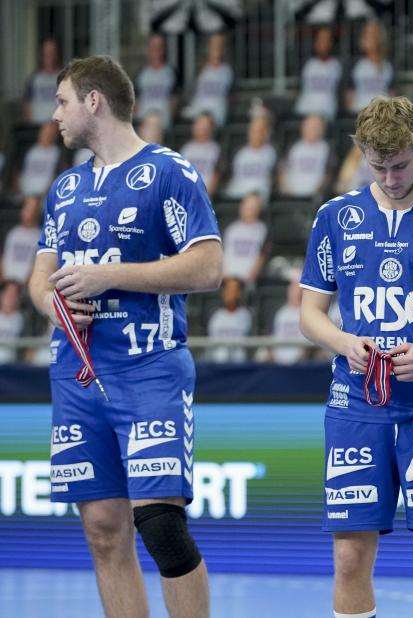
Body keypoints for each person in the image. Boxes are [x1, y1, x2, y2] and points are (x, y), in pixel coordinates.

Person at [28, 55, 222, 618]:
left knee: (160, 525)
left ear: (94, 101)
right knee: (102, 530)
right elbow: (40, 277)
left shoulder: (168, 172)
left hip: (148, 369)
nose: (55, 114)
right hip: (77, 374)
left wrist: (108, 276)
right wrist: (54, 304)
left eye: (63, 101)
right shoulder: (64, 188)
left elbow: (208, 267)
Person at [300, 95, 413, 618]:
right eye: (377, 166)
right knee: (349, 558)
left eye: (400, 165)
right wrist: (344, 343)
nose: (389, 177)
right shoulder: (335, 217)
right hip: (356, 406)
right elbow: (309, 314)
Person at [182, 33, 233, 126]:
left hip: (216, 111)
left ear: (224, 49)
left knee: (205, 121)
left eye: (219, 46)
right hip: (198, 108)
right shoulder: (201, 69)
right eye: (213, 45)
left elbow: (230, 95)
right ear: (208, 47)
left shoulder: (228, 70)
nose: (216, 49)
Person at [294, 26, 342, 121]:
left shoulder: (337, 66)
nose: (323, 43)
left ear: (331, 43)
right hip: (303, 112)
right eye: (320, 39)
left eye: (327, 40)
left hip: (326, 113)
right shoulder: (307, 64)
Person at [225, 115, 277, 199]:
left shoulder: (272, 152)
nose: (256, 134)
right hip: (236, 193)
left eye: (260, 131)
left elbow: (274, 177)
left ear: (266, 133)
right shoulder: (240, 153)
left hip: (258, 195)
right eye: (254, 130)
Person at [279, 114, 331, 198]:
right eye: (309, 126)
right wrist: (285, 189)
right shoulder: (293, 147)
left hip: (314, 196)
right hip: (290, 195)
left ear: (322, 129)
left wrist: (318, 190)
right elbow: (282, 169)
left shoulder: (326, 148)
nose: (312, 130)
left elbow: (329, 173)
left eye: (316, 127)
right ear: (302, 128)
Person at [347, 20, 394, 114]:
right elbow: (349, 95)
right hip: (361, 114)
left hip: (383, 115)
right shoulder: (355, 64)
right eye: (366, 34)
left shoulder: (388, 65)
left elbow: (392, 93)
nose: (367, 38)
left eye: (372, 34)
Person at [222, 192, 269, 284]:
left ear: (259, 209)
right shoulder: (230, 228)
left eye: (253, 206)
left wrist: (251, 277)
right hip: (227, 277)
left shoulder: (263, 230)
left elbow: (263, 256)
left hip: (248, 279)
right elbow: (221, 252)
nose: (249, 209)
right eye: (247, 205)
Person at [134, 33, 178, 128]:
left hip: (162, 120)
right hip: (143, 119)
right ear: (148, 49)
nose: (156, 50)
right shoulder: (141, 73)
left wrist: (170, 116)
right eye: (153, 46)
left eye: (159, 47)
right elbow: (135, 101)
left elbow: (174, 101)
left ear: (164, 49)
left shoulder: (171, 73)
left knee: (153, 123)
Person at [207, 277, 252, 362]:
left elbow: (246, 342)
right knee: (220, 354)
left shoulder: (245, 315)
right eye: (227, 290)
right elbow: (212, 341)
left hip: (239, 359)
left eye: (233, 290)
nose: (229, 293)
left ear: (239, 293)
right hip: (217, 359)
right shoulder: (216, 316)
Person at [2, 196, 42, 285]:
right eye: (26, 209)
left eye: (32, 209)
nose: (28, 213)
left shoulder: (40, 236)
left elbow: (38, 265)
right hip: (7, 282)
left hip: (26, 285)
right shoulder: (13, 233)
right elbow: (4, 258)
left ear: (37, 212)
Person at [180, 113, 222, 196]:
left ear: (211, 128)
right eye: (199, 124)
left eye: (205, 125)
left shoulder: (216, 149)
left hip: (206, 193)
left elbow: (217, 174)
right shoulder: (186, 148)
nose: (202, 128)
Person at [22, 38, 62, 125]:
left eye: (52, 52)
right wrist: (30, 122)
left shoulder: (63, 77)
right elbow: (26, 103)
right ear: (41, 54)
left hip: (56, 125)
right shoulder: (33, 78)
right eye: (47, 52)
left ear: (57, 54)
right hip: (36, 125)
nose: (49, 55)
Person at [18, 121, 62, 197]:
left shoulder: (58, 152)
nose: (47, 135)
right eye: (45, 132)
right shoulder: (29, 150)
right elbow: (18, 172)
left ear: (55, 135)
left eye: (51, 133)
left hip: (46, 193)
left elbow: (59, 174)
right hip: (25, 191)